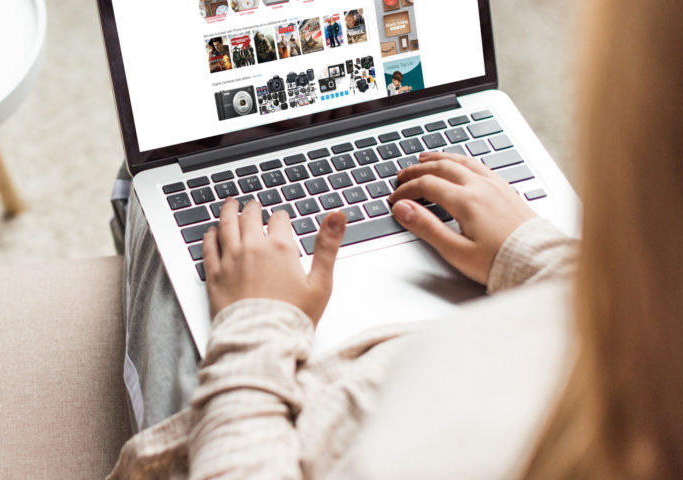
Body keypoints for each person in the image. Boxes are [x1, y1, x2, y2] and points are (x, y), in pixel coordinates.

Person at [107, 0, 683, 477]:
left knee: (150, 182)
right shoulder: (648, 362)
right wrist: (540, 257)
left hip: (272, 417)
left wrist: (255, 325)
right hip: (486, 318)